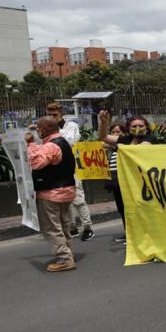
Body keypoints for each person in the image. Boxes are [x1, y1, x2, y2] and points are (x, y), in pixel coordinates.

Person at [26, 116, 77, 272]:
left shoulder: (51, 146)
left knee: (52, 228)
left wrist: (30, 144)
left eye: (39, 128)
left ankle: (64, 259)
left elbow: (36, 163)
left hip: (51, 193)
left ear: (44, 129)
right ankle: (67, 253)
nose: (38, 130)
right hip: (66, 191)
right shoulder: (62, 142)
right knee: (63, 226)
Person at [98, 110, 153, 244]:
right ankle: (131, 235)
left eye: (141, 126)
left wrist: (121, 147)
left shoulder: (149, 139)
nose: (137, 129)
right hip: (124, 182)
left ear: (146, 127)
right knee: (124, 208)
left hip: (142, 183)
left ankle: (147, 236)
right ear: (129, 128)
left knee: (142, 209)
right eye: (134, 126)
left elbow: (141, 149)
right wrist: (103, 122)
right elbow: (103, 137)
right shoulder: (125, 140)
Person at [45, 102, 94, 242]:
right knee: (65, 201)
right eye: (49, 115)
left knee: (78, 199)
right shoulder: (47, 129)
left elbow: (69, 141)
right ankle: (72, 227)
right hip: (56, 169)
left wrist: (52, 133)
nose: (51, 117)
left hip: (72, 167)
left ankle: (87, 227)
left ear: (61, 114)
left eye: (54, 115)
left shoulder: (70, 126)